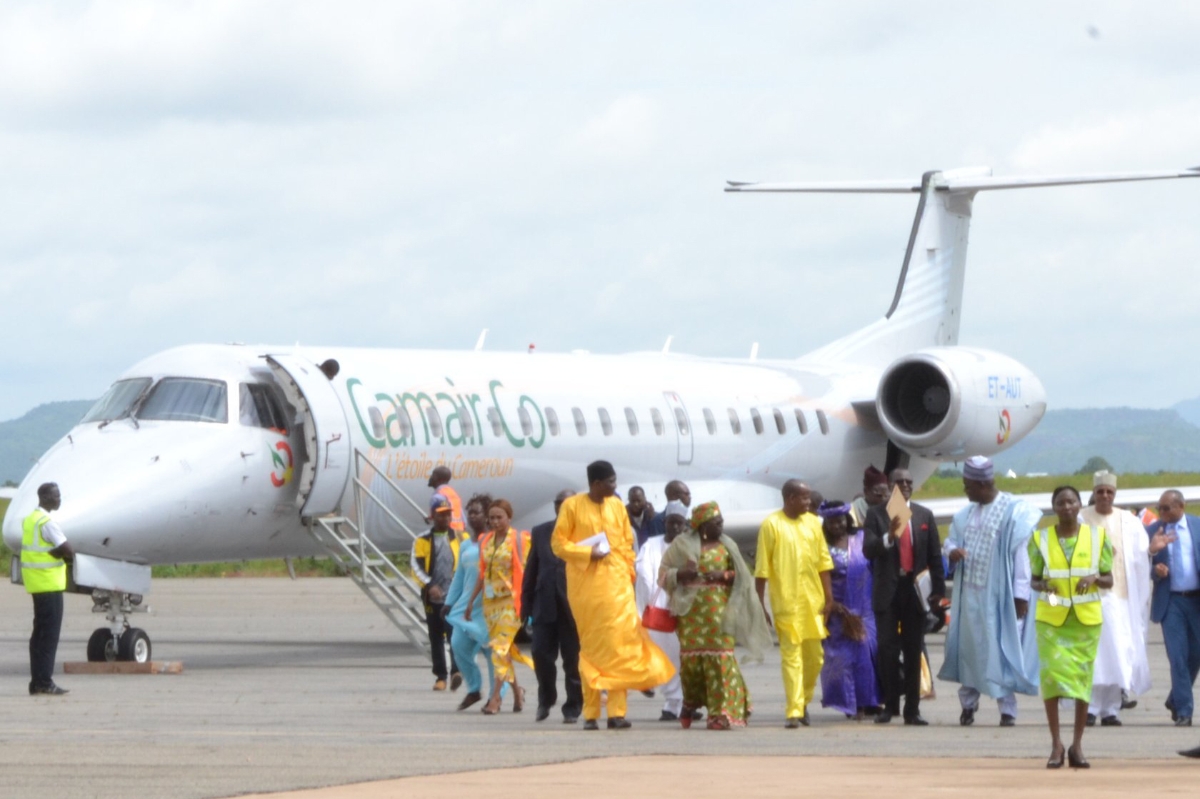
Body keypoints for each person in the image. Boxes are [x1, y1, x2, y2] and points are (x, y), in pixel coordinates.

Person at [551, 460, 675, 730]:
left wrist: (628, 573)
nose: (615, 487)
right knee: (594, 650)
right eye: (610, 482)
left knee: (621, 647)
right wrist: (587, 553)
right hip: (587, 589)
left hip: (618, 586)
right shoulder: (572, 506)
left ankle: (617, 714)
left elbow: (627, 544)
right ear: (596, 484)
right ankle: (591, 713)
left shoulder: (617, 506)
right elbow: (558, 544)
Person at [939, 455, 1041, 727]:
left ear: (981, 483)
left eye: (967, 485)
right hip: (970, 597)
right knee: (970, 652)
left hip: (999, 599)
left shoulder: (1013, 512)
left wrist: (1021, 596)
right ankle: (968, 705)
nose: (964, 490)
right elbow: (949, 542)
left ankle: (1007, 710)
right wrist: (952, 551)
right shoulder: (965, 514)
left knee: (999, 651)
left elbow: (1022, 557)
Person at [660, 501, 771, 730]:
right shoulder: (681, 545)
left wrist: (724, 574)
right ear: (702, 525)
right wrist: (680, 574)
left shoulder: (727, 546)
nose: (721, 526)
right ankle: (690, 703)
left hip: (720, 614)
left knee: (721, 659)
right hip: (690, 616)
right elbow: (662, 575)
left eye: (721, 522)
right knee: (691, 664)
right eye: (716, 523)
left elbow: (744, 576)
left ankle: (720, 713)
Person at [1029, 485, 1113, 769]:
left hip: (1085, 622)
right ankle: (1056, 744)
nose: (1067, 507)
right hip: (1052, 620)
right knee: (1051, 680)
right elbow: (1035, 580)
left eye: (1072, 502)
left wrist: (1094, 578)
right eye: (1061, 502)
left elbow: (1109, 579)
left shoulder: (1097, 536)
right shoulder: (1040, 538)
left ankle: (1077, 745)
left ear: (1080, 505)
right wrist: (1049, 592)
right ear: (1054, 506)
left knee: (1081, 683)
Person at [863, 467, 945, 725]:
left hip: (915, 591)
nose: (907, 485)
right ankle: (890, 706)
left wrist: (939, 595)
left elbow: (934, 557)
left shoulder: (924, 515)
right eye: (901, 481)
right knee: (887, 650)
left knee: (912, 650)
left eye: (910, 481)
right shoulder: (876, 514)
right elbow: (868, 550)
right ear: (890, 485)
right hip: (888, 591)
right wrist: (889, 536)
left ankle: (912, 709)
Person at [755, 480, 834, 728]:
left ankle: (803, 701)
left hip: (813, 603)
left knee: (816, 658)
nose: (809, 503)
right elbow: (761, 570)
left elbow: (823, 563)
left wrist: (830, 598)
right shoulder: (771, 524)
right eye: (804, 498)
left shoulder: (813, 523)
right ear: (790, 498)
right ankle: (793, 710)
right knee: (791, 657)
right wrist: (760, 604)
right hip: (786, 604)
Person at [1080, 470, 1152, 726]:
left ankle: (1111, 709)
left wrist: (1151, 551)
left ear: (1115, 494)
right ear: (1094, 493)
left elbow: (1140, 554)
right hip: (1089, 598)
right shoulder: (1082, 518)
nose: (1105, 496)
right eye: (1100, 491)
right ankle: (1088, 708)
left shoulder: (1128, 521)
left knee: (1118, 653)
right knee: (1094, 655)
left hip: (1120, 598)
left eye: (1109, 492)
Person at [465, 499, 533, 714]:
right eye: (491, 518)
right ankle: (517, 693)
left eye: (499, 517)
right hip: (490, 605)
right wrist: (469, 603)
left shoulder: (521, 540)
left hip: (511, 604)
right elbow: (482, 574)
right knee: (503, 651)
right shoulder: (485, 540)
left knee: (499, 649)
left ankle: (495, 699)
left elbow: (530, 571)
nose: (494, 521)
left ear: (509, 518)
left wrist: (529, 603)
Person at [520, 489, 583, 723]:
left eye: (567, 503)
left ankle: (573, 706)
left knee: (572, 660)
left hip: (573, 607)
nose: (562, 507)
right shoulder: (541, 531)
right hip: (544, 604)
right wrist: (525, 605)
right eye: (558, 503)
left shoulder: (585, 532)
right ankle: (546, 699)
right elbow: (531, 570)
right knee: (540, 654)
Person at [817, 500, 880, 720]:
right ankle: (848, 704)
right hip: (837, 609)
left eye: (840, 521)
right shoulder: (821, 546)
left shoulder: (861, 539)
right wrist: (831, 604)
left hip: (863, 608)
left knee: (865, 655)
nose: (837, 526)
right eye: (832, 522)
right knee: (841, 659)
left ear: (847, 520)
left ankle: (867, 702)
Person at [443, 493, 503, 711]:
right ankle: (474, 688)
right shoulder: (466, 546)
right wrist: (449, 603)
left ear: (487, 516)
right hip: (467, 608)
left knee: (492, 653)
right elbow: (459, 578)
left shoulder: (497, 542)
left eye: (476, 512)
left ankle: (496, 696)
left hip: (490, 608)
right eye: (470, 513)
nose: (471, 517)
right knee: (458, 645)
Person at [1147, 489, 1200, 727]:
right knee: (1177, 656)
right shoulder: (1152, 531)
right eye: (1160, 508)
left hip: (1196, 599)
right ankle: (1185, 712)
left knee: (1195, 655)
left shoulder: (1197, 527)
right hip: (1171, 602)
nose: (1162, 512)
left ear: (1182, 506)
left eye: (1167, 508)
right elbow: (1139, 565)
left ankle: (1175, 699)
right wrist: (1155, 570)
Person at [634, 500, 688, 721]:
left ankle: (677, 703)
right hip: (659, 611)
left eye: (680, 524)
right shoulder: (651, 545)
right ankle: (674, 701)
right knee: (664, 657)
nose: (675, 528)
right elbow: (644, 575)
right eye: (671, 523)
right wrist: (652, 602)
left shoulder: (688, 545)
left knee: (681, 658)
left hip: (684, 610)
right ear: (664, 522)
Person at [22, 482, 74, 696]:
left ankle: (36, 681)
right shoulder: (47, 522)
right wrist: (61, 553)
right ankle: (44, 681)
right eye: (55, 496)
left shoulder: (30, 520)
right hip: (49, 585)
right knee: (49, 636)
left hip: (36, 584)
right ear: (44, 498)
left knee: (39, 635)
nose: (59, 499)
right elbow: (68, 550)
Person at [411, 495, 461, 691]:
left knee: (454, 635)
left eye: (448, 514)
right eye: (441, 515)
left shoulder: (459, 537)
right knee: (436, 637)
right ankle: (440, 676)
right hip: (433, 598)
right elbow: (416, 567)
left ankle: (456, 671)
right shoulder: (422, 540)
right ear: (432, 516)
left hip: (454, 597)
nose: (445, 518)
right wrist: (429, 584)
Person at [427, 465, 465, 535]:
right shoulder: (453, 493)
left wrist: (429, 519)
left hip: (447, 533)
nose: (430, 477)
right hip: (460, 532)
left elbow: (436, 518)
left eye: (433, 475)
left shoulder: (437, 497)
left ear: (439, 478)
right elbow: (463, 518)